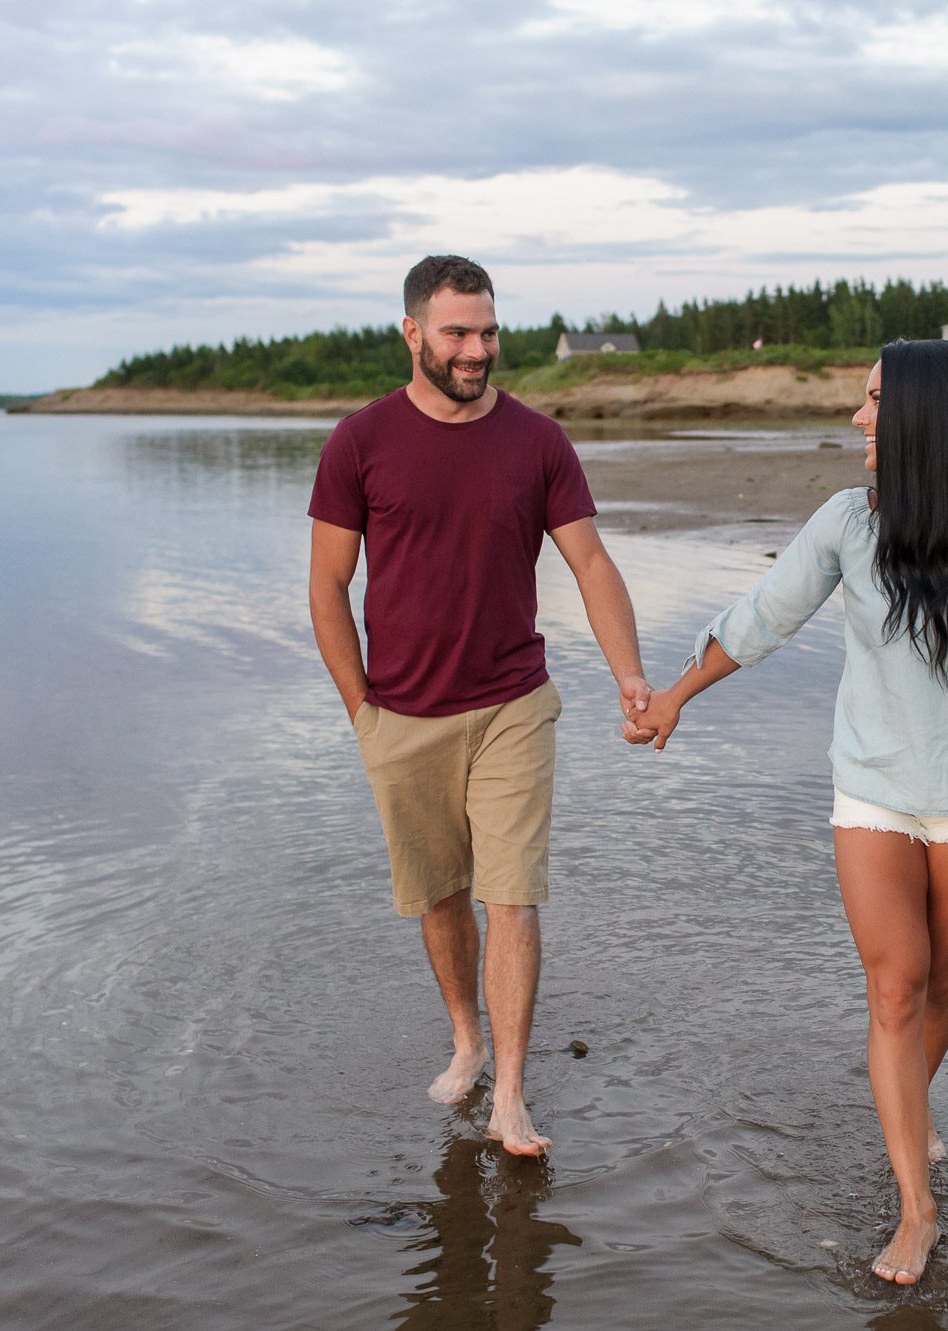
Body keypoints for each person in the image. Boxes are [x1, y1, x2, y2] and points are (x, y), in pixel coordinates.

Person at [624, 339, 948, 1284]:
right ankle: (916, 1206)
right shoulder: (850, 522)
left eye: (874, 400)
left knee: (945, 976)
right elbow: (764, 613)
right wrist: (675, 694)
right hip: (872, 789)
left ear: (923, 415)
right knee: (896, 983)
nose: (857, 418)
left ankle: (907, 1110)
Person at [309, 254, 651, 1157]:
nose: (477, 349)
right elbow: (327, 587)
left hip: (513, 702)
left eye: (488, 331)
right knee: (440, 895)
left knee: (513, 896)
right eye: (458, 332)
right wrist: (362, 713)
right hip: (402, 714)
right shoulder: (359, 441)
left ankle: (512, 1091)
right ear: (414, 332)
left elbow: (591, 564)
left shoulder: (538, 442)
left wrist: (631, 675)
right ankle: (465, 1037)